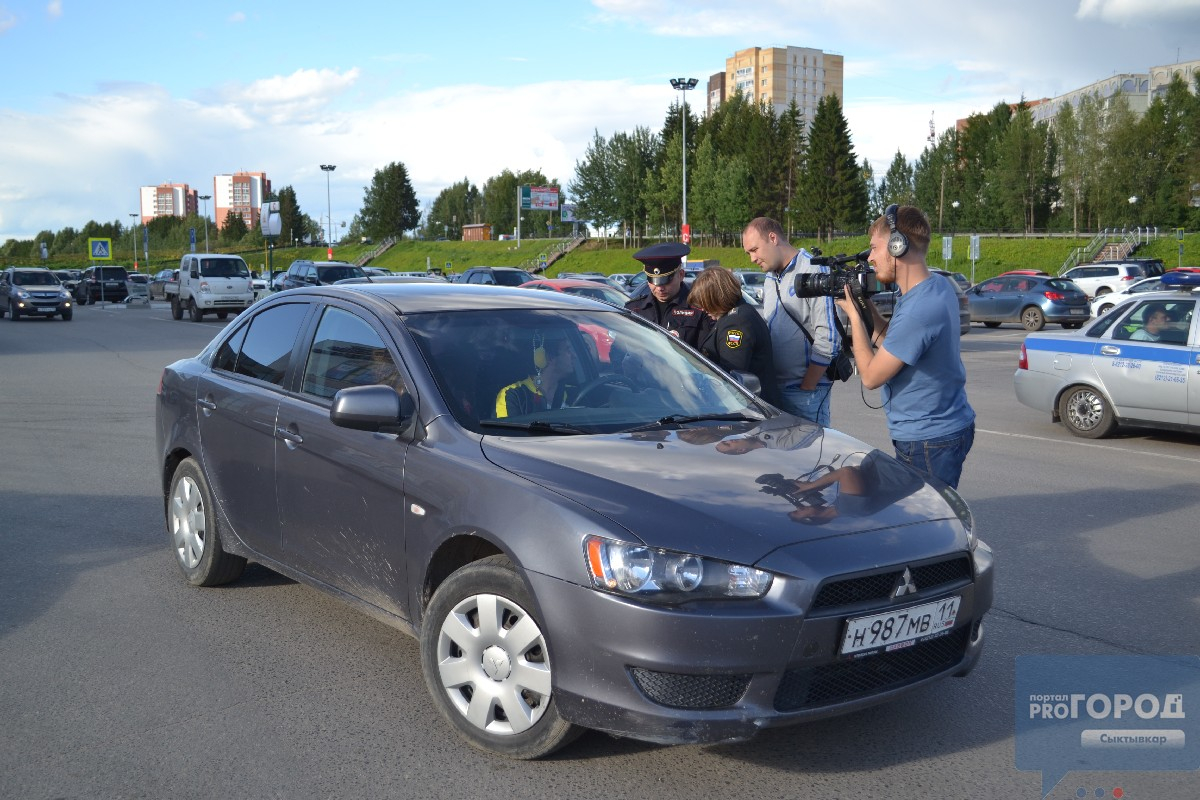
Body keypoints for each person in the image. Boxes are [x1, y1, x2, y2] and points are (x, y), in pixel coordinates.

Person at [835, 204, 975, 489]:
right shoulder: (934, 286)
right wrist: (865, 306)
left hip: (928, 440)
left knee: (924, 525)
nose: (871, 257)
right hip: (941, 428)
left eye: (875, 248)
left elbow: (872, 376)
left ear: (898, 246)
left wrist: (854, 318)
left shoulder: (920, 309)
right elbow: (894, 343)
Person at [742, 217, 840, 426]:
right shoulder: (770, 277)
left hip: (804, 394)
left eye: (754, 249)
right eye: (748, 253)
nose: (752, 259)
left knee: (811, 457)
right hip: (774, 392)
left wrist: (807, 387)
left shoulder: (814, 270)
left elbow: (829, 338)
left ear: (773, 238)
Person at [688, 266, 782, 406]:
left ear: (717, 298)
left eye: (705, 303)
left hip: (747, 407)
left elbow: (731, 376)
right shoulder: (740, 313)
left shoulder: (735, 322)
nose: (703, 309)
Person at [624, 242, 710, 347]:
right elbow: (620, 349)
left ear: (681, 275)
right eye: (654, 282)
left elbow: (706, 355)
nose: (660, 288)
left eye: (666, 281)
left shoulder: (699, 309)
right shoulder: (634, 309)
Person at [495, 332, 576, 418]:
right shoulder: (514, 395)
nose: (574, 356)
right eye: (568, 350)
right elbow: (508, 430)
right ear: (550, 358)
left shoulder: (575, 393)